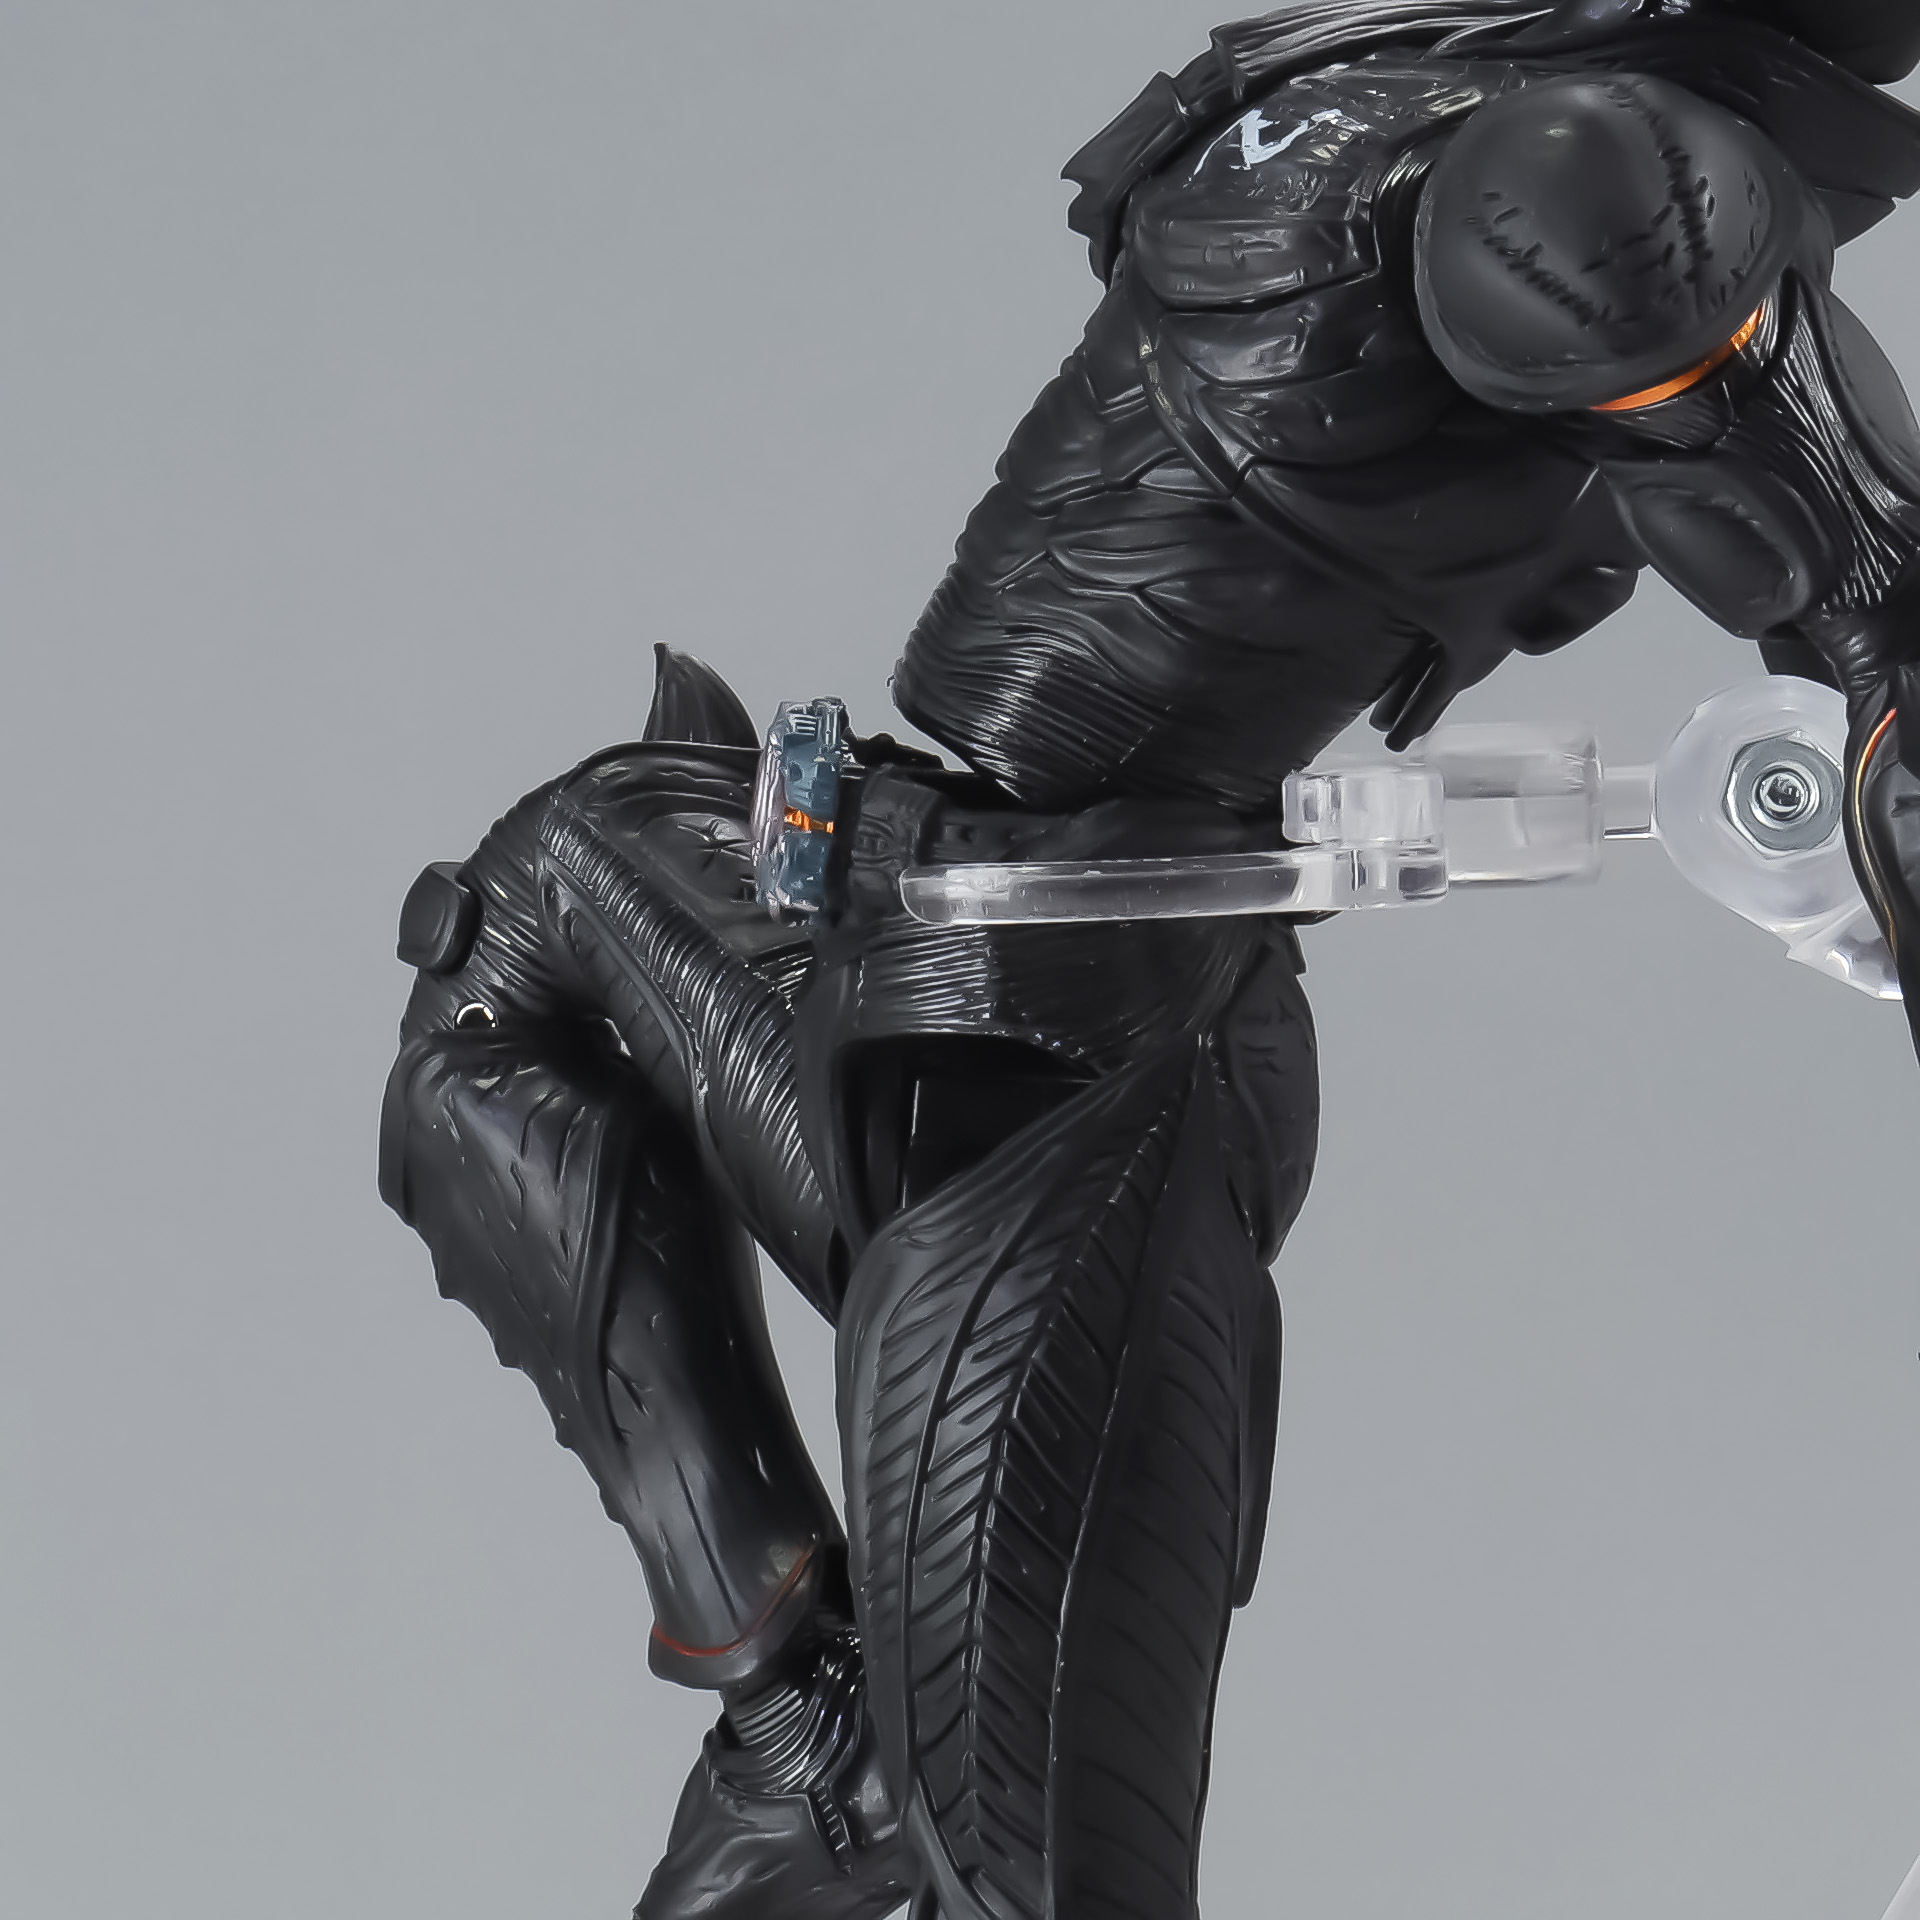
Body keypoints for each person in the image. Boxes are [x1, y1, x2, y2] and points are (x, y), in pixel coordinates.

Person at [379, 4, 1920, 1915]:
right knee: (523, 917)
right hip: (921, 922)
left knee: (1024, 1879)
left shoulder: (1589, 183)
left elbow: (1886, 636)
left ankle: (886, 1775)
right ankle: (797, 1723)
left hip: (1076, 1091)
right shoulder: (1455, 85)